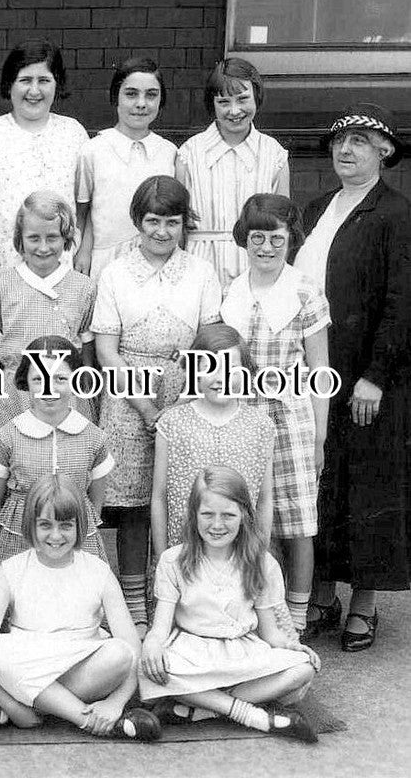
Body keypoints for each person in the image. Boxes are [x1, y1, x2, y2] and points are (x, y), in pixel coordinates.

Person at [291, 103, 411, 650]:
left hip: (366, 378)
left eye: (360, 141)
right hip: (318, 377)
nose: (346, 150)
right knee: (321, 482)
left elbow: (400, 301)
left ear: (384, 152)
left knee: (366, 486)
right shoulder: (317, 209)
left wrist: (376, 375)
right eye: (340, 141)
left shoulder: (395, 213)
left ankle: (363, 603)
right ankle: (321, 595)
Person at [91, 175, 221, 631]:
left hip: (185, 390)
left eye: (172, 222)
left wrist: (184, 401)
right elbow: (106, 350)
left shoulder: (202, 272)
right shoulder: (114, 271)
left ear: (185, 224)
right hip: (128, 394)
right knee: (132, 507)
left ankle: (179, 601)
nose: (162, 231)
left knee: (183, 496)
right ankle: (134, 607)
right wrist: (147, 409)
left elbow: (209, 343)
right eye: (152, 221)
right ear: (137, 222)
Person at [0, 474, 160, 741]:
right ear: (31, 526)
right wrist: (12, 707)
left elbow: (132, 647)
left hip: (81, 667)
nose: (56, 535)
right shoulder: (11, 569)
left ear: (79, 525)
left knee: (120, 653)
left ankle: (39, 704)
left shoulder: (97, 570)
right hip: (29, 658)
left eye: (65, 525)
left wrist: (115, 703)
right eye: (45, 525)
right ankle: (83, 717)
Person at [140, 466, 319, 743]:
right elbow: (161, 627)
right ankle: (252, 715)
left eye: (228, 515)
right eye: (207, 514)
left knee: (304, 668)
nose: (217, 524)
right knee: (149, 670)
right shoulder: (173, 561)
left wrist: (291, 645)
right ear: (193, 515)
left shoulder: (260, 562)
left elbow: (270, 632)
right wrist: (152, 643)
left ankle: (201, 710)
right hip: (192, 650)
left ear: (245, 516)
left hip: (242, 650)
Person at [222, 197, 331, 638]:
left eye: (277, 239)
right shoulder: (232, 287)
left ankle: (298, 615)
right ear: (244, 240)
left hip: (290, 417)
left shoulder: (305, 290)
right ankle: (258, 609)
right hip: (242, 414)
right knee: (251, 516)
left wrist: (320, 437)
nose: (266, 248)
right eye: (257, 238)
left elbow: (320, 371)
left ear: (292, 241)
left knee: (297, 519)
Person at [0, 336, 110, 568]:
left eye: (60, 378)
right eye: (38, 379)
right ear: (26, 382)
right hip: (21, 541)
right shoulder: (6, 437)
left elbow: (95, 501)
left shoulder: (94, 437)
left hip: (77, 541)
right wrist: (13, 535)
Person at [151, 324, 276, 552]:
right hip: (185, 556)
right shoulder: (172, 423)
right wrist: (161, 559)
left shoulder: (261, 426)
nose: (221, 378)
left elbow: (265, 499)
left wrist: (260, 556)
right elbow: (159, 497)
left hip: (241, 558)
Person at [0, 190, 96, 430]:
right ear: (20, 239)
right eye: (34, 238)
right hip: (15, 393)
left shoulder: (83, 287)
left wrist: (85, 389)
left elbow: (87, 348)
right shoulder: (1, 285)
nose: (43, 247)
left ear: (65, 238)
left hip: (67, 393)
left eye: (52, 238)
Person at [0, 39, 88, 275]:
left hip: (59, 260)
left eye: (44, 80)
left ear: (57, 84)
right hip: (2, 262)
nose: (34, 91)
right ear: (10, 84)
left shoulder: (73, 133)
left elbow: (82, 204)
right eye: (25, 80)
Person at [178, 58, 289, 286]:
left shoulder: (274, 155)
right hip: (199, 268)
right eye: (224, 102)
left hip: (258, 267)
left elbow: (283, 226)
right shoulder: (189, 154)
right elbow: (178, 224)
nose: (234, 110)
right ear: (212, 104)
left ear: (256, 96)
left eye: (242, 99)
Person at [75, 57, 177, 282]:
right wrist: (83, 251)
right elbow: (85, 211)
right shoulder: (93, 150)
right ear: (116, 97)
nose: (141, 103)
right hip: (105, 258)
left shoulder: (169, 152)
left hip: (158, 259)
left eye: (151, 94)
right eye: (131, 94)